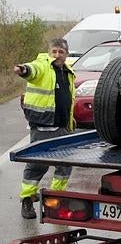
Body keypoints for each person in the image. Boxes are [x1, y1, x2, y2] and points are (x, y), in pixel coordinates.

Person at [13, 38, 76, 219]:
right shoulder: (42, 66)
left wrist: (70, 121)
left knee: (65, 166)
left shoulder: (68, 72)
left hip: (63, 127)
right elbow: (32, 70)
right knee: (37, 165)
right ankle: (27, 200)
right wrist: (23, 70)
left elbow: (67, 99)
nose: (57, 55)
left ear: (66, 54)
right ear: (49, 53)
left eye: (61, 52)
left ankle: (56, 198)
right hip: (42, 126)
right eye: (54, 51)